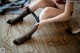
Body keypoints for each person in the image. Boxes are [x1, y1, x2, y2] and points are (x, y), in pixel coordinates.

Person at [7, 0, 74, 45]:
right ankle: (20, 17)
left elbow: (67, 15)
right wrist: (31, 4)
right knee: (40, 1)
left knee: (47, 11)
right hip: (55, 3)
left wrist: (46, 21)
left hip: (63, 12)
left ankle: (27, 35)